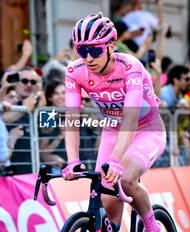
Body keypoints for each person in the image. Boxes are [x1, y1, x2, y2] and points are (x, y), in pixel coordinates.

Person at [62, 13, 166, 231]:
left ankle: (152, 227)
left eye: (95, 50)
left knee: (127, 179)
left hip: (147, 129)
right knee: (109, 206)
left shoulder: (130, 67)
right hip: (112, 131)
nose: (88, 58)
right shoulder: (74, 71)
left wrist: (116, 160)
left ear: (111, 46)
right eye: (82, 51)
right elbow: (72, 119)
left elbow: (130, 116)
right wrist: (72, 160)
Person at [39, 79, 66, 174]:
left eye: (64, 93)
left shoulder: (71, 112)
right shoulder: (47, 115)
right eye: (56, 93)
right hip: (54, 169)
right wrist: (61, 135)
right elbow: (43, 151)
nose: (61, 97)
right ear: (50, 97)